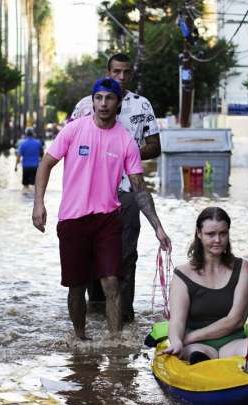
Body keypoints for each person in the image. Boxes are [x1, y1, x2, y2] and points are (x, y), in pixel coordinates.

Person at [32, 77, 171, 339]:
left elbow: (139, 189)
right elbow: (46, 164)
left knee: (111, 282)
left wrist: (158, 227)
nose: (103, 103)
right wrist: (38, 203)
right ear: (93, 101)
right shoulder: (74, 130)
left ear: (118, 103)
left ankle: (115, 343)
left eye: (109, 98)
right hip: (72, 219)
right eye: (99, 98)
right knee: (76, 287)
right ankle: (80, 339)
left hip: (107, 220)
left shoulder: (126, 141)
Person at [68, 52, 163, 324]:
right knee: (89, 255)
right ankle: (96, 308)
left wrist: (125, 153)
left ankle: (124, 314)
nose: (121, 77)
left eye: (126, 72)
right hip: (88, 194)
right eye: (116, 72)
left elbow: (155, 146)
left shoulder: (141, 105)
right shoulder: (85, 106)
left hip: (127, 191)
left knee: (126, 253)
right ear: (107, 72)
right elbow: (68, 144)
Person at [160, 207, 248, 364]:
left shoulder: (243, 268)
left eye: (223, 233)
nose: (218, 240)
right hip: (198, 346)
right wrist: (176, 341)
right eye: (211, 234)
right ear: (199, 233)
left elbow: (235, 320)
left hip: (233, 342)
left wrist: (188, 338)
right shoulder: (182, 274)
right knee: (196, 355)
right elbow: (177, 321)